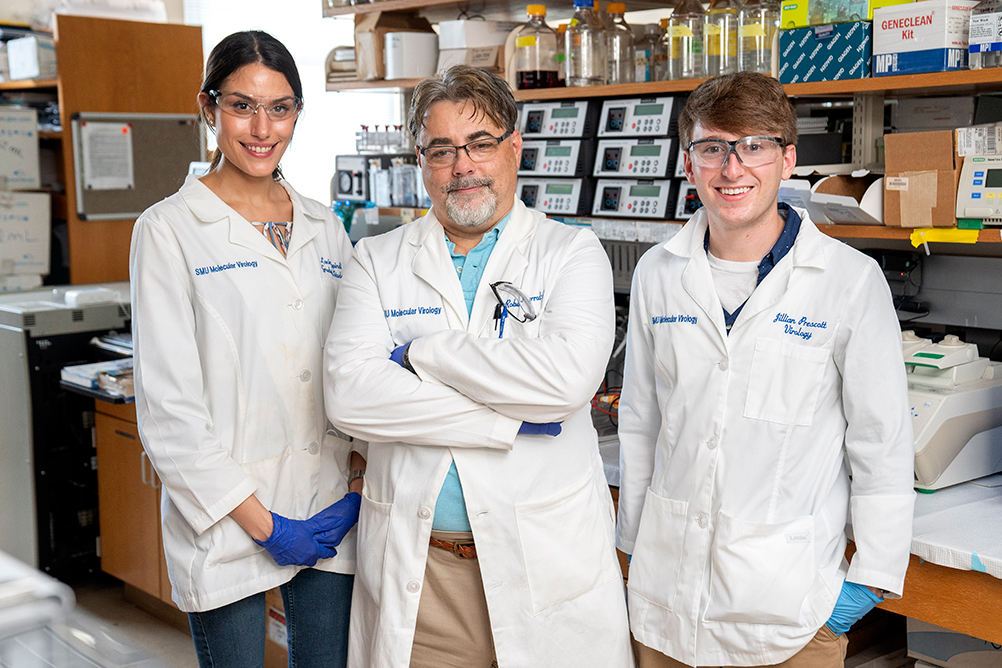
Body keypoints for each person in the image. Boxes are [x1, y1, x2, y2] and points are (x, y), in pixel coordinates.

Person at [323, 65, 633, 668]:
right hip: (423, 577)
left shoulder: (571, 253)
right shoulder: (375, 260)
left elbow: (563, 383)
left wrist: (420, 353)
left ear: (514, 149)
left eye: (481, 144)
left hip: (545, 567)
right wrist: (504, 423)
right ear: (421, 162)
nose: (462, 166)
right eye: (442, 150)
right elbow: (350, 395)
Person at [616, 72, 916, 668]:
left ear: (788, 159)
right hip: (664, 606)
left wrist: (863, 588)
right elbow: (642, 424)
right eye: (713, 148)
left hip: (790, 618)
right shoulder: (658, 271)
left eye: (754, 146)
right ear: (688, 162)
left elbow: (882, 445)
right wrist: (631, 551)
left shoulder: (848, 280)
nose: (733, 169)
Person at [130, 30, 363, 668]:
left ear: (297, 114)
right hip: (227, 520)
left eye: (280, 108)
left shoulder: (325, 226)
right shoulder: (168, 230)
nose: (262, 128)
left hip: (327, 509)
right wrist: (267, 526)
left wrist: (358, 486)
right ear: (209, 108)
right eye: (242, 106)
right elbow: (170, 411)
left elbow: (353, 362)